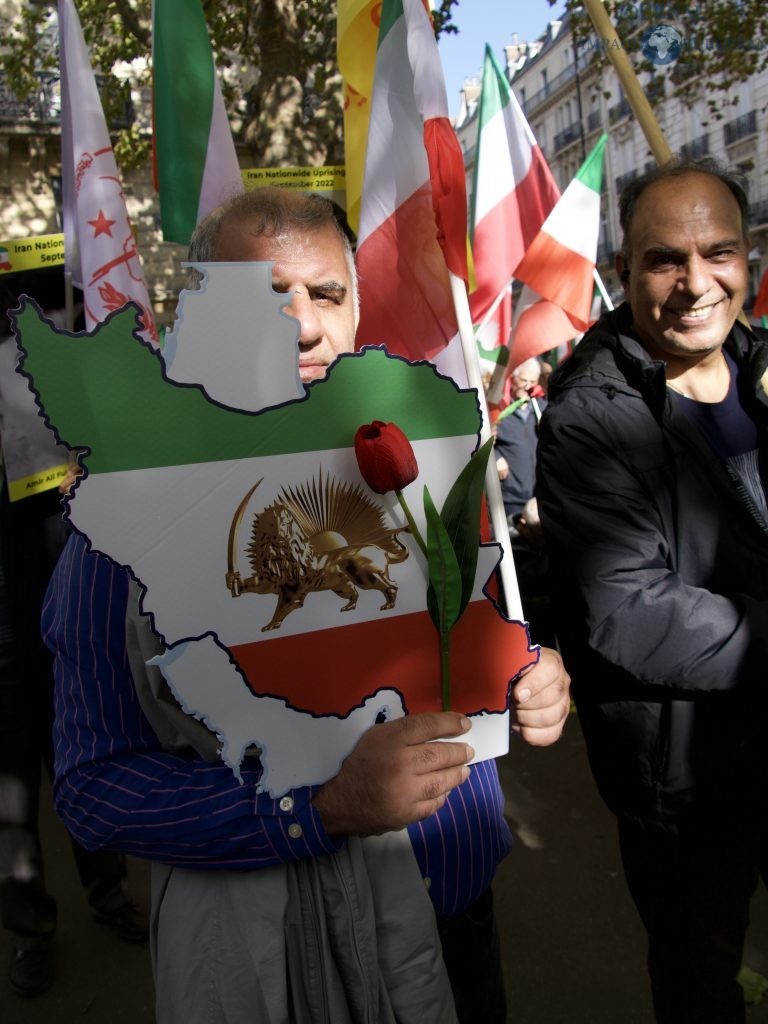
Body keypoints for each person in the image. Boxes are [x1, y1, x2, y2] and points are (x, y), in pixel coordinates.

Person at [43, 188, 570, 1023]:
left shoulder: (416, 461)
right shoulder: (122, 523)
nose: (302, 324)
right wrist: (315, 813)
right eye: (264, 295)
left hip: (461, 914)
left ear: (357, 309)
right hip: (289, 966)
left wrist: (530, 676)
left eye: (325, 293)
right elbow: (95, 784)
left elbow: (469, 639)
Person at [536, 158, 768, 1023]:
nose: (696, 282)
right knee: (702, 983)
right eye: (665, 258)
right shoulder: (591, 413)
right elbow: (628, 613)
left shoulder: (759, 365)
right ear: (625, 269)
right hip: (688, 776)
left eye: (721, 251)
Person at [0, 271, 147, 999]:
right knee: (10, 798)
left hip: (59, 628)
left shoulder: (44, 369)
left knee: (82, 763)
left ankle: (109, 891)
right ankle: (29, 930)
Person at [494, 358, 546, 530]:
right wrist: (496, 457)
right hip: (511, 498)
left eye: (532, 381)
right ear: (513, 379)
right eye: (524, 380)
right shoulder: (498, 412)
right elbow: (482, 441)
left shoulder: (543, 410)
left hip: (541, 496)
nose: (527, 385)